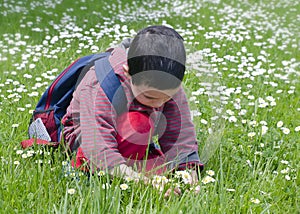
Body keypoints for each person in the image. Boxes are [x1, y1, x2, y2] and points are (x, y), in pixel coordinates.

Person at [61, 25, 203, 184]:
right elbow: (96, 144)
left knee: (159, 163)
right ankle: (81, 169)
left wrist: (188, 171)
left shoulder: (166, 83)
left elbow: (180, 132)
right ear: (128, 72)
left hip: (131, 137)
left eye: (167, 98)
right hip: (85, 138)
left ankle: (133, 161)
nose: (159, 104)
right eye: (150, 97)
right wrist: (139, 180)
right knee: (138, 125)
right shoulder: (100, 84)